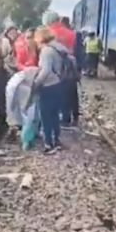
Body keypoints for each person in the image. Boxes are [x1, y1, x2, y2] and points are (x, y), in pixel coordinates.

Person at [33, 26, 66, 154]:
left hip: (48, 86)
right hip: (58, 84)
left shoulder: (46, 51)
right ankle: (56, 140)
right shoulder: (57, 47)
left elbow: (46, 70)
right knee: (55, 115)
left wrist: (36, 83)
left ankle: (48, 143)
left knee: (46, 116)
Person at [44, 12, 79, 126]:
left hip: (55, 70)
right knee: (72, 92)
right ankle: (73, 116)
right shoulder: (72, 33)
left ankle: (63, 118)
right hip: (70, 68)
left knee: (59, 93)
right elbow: (79, 53)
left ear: (48, 21)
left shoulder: (48, 34)